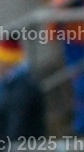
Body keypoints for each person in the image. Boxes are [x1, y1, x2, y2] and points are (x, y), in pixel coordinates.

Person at [48, 0, 84, 134]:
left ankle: (80, 125)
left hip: (75, 30)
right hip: (72, 33)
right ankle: (80, 125)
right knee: (78, 82)